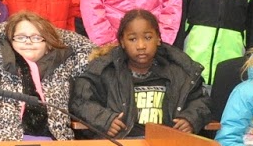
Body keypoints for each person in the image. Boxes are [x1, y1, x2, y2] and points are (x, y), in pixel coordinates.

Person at [70, 8, 208, 138]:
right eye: (132, 39)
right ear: (122, 42)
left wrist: (190, 119)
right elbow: (80, 100)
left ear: (159, 39)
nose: (141, 46)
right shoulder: (105, 71)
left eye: (148, 37)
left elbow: (202, 100)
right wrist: (104, 120)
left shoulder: (179, 71)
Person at [0, 11, 91, 142]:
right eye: (21, 37)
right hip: (2, 141)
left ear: (48, 44)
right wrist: (11, 26)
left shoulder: (65, 65)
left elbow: (88, 47)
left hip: (55, 143)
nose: (28, 42)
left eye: (37, 38)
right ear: (11, 41)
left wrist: (49, 31)